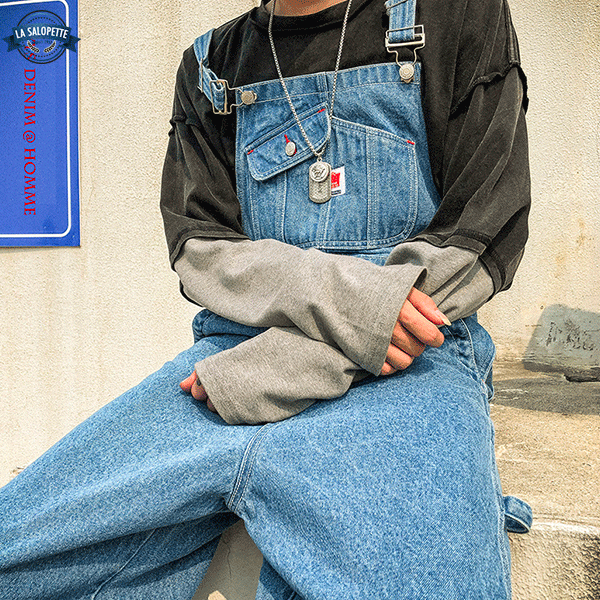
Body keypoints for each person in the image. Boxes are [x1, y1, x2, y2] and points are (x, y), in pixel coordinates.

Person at [0, 0, 533, 598]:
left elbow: (482, 235)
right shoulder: (211, 65)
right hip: (233, 356)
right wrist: (345, 307)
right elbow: (200, 247)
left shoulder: (460, 15)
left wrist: (289, 364)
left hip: (409, 362)